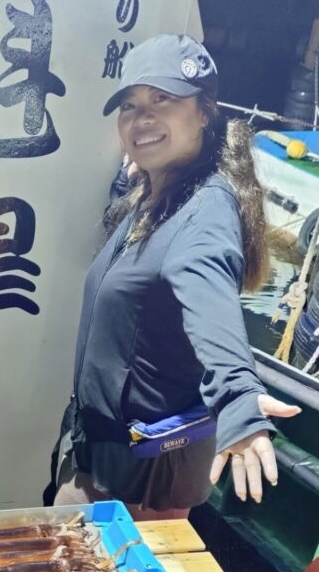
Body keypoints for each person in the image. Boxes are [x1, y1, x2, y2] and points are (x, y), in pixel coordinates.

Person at [52, 34, 300, 520]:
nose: (141, 119)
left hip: (140, 489)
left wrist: (237, 396)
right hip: (99, 463)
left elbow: (209, 300)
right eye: (130, 105)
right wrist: (132, 179)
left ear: (204, 112)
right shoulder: (158, 192)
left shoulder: (207, 210)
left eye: (161, 100)